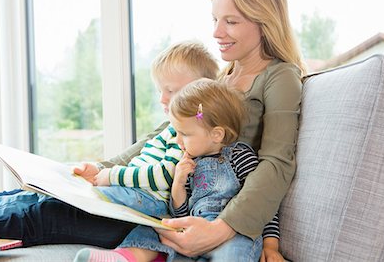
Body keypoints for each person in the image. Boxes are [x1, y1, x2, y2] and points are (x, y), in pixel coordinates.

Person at [0, 40, 219, 247]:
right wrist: (100, 171)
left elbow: (164, 175)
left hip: (136, 209)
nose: (162, 99)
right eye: (160, 90)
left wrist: (110, 175)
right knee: (27, 196)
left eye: (171, 91)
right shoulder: (169, 129)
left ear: (198, 94)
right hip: (126, 196)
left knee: (41, 210)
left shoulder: (186, 135)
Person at [153, 0, 305, 262]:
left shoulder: (280, 76)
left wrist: (221, 229)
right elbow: (167, 129)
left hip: (222, 215)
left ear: (264, 23)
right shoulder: (222, 79)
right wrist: (105, 168)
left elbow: (277, 163)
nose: (216, 33)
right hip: (182, 199)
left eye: (231, 22)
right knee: (52, 211)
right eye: (215, 20)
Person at [75, 79, 280, 262]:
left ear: (217, 134)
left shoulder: (241, 157)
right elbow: (179, 212)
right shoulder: (187, 161)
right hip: (189, 229)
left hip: (232, 234)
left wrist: (271, 245)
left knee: (233, 253)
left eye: (184, 134)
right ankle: (125, 257)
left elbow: (264, 205)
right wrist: (179, 184)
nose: (178, 140)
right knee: (152, 228)